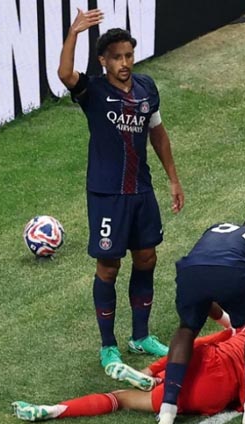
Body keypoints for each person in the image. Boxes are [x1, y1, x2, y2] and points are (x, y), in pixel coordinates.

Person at [57, 9, 184, 370]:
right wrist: (74, 33)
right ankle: (108, 345)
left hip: (141, 191)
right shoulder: (93, 91)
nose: (125, 63)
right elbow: (65, 74)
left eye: (128, 55)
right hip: (107, 194)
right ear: (103, 61)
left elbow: (158, 134)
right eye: (117, 57)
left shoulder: (146, 89)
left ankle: (140, 336)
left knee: (147, 258)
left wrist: (173, 179)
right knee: (109, 267)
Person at [157, 215, 245, 424]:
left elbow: (208, 285)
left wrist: (226, 321)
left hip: (191, 270)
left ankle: (167, 409)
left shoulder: (217, 228)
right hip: (234, 272)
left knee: (186, 330)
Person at [12, 327, 245, 422]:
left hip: (209, 362)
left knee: (186, 346)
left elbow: (207, 340)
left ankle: (152, 374)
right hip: (217, 393)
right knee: (122, 398)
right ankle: (53, 411)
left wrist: (156, 365)